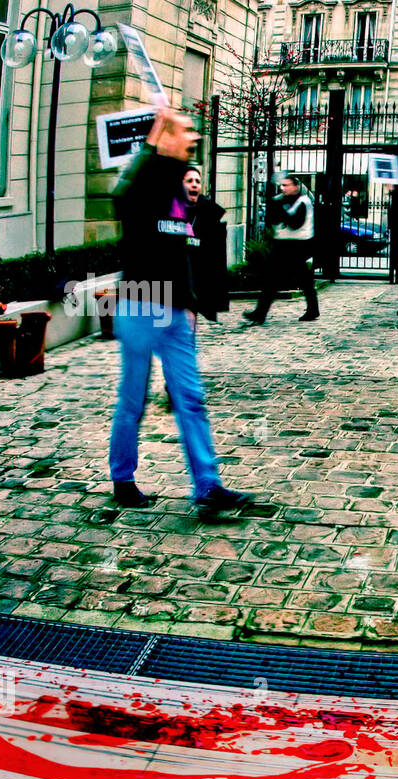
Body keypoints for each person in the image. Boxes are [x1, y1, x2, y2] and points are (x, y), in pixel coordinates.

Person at [109, 108, 252, 516]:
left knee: (190, 399)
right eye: (185, 132)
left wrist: (191, 304)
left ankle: (208, 486)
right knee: (132, 400)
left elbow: (186, 258)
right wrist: (155, 135)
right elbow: (122, 193)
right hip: (139, 305)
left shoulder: (183, 203)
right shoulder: (144, 190)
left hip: (174, 314)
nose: (192, 137)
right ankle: (123, 478)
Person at [244, 175, 319, 324]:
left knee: (300, 280)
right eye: (282, 185)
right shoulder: (280, 200)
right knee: (274, 279)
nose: (283, 188)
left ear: (296, 186)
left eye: (287, 185)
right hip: (282, 244)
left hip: (297, 245)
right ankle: (261, 312)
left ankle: (261, 313)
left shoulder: (303, 202)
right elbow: (272, 221)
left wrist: (281, 209)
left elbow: (295, 223)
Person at [181, 166, 228, 324]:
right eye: (189, 181)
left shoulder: (209, 213)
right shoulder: (171, 211)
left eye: (197, 181)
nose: (194, 184)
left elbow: (216, 256)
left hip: (198, 277)